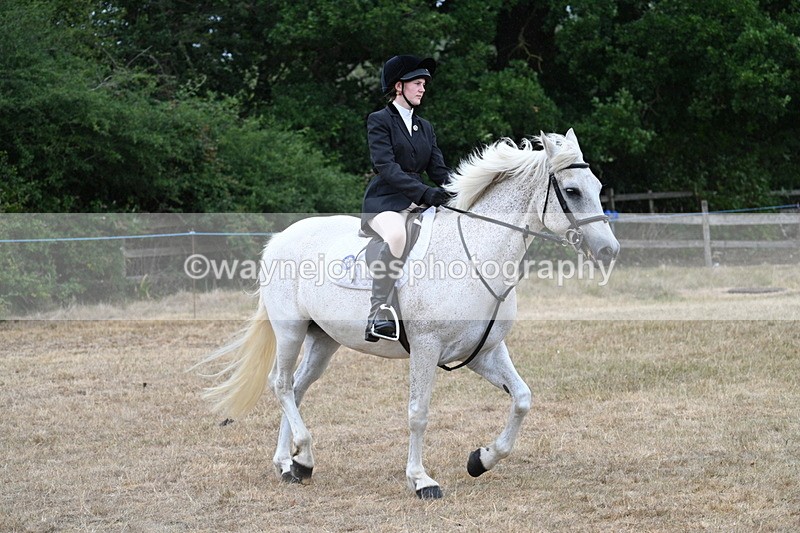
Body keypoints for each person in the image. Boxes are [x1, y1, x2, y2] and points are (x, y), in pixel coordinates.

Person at [361, 54, 452, 342]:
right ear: (399, 87)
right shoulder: (379, 120)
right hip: (386, 201)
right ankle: (379, 313)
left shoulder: (425, 127)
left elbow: (438, 170)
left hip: (419, 201)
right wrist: (425, 192)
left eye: (424, 83)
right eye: (417, 82)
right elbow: (386, 167)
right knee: (397, 236)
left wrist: (460, 192)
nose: (422, 88)